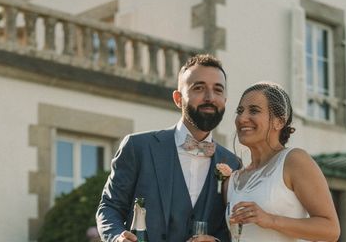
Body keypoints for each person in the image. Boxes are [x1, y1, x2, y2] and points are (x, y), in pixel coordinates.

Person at [96, 54, 241, 242]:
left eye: (218, 90)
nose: (210, 97)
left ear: (225, 100)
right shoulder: (138, 147)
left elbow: (233, 228)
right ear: (178, 98)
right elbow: (109, 207)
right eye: (199, 88)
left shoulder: (233, 164)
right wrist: (116, 238)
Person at [225, 82, 340, 242]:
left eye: (254, 110)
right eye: (240, 111)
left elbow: (330, 230)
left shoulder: (294, 160)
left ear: (279, 122)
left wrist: (271, 220)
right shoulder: (234, 179)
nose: (242, 118)